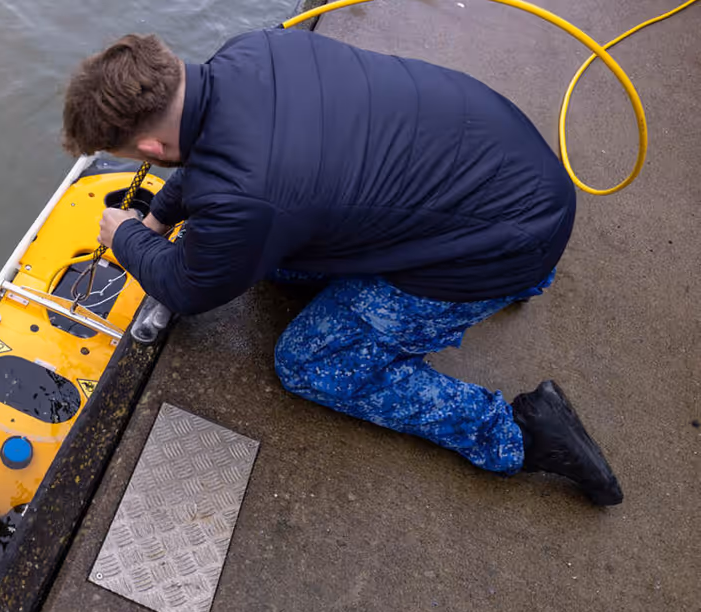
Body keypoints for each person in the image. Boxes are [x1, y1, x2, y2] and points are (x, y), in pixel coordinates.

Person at [60, 30, 623, 505]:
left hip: (502, 246)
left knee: (309, 361)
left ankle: (518, 436)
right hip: (512, 170)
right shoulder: (251, 52)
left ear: (151, 148)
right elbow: (210, 155)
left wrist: (127, 236)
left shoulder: (248, 197)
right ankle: (517, 279)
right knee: (275, 265)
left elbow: (188, 286)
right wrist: (159, 217)